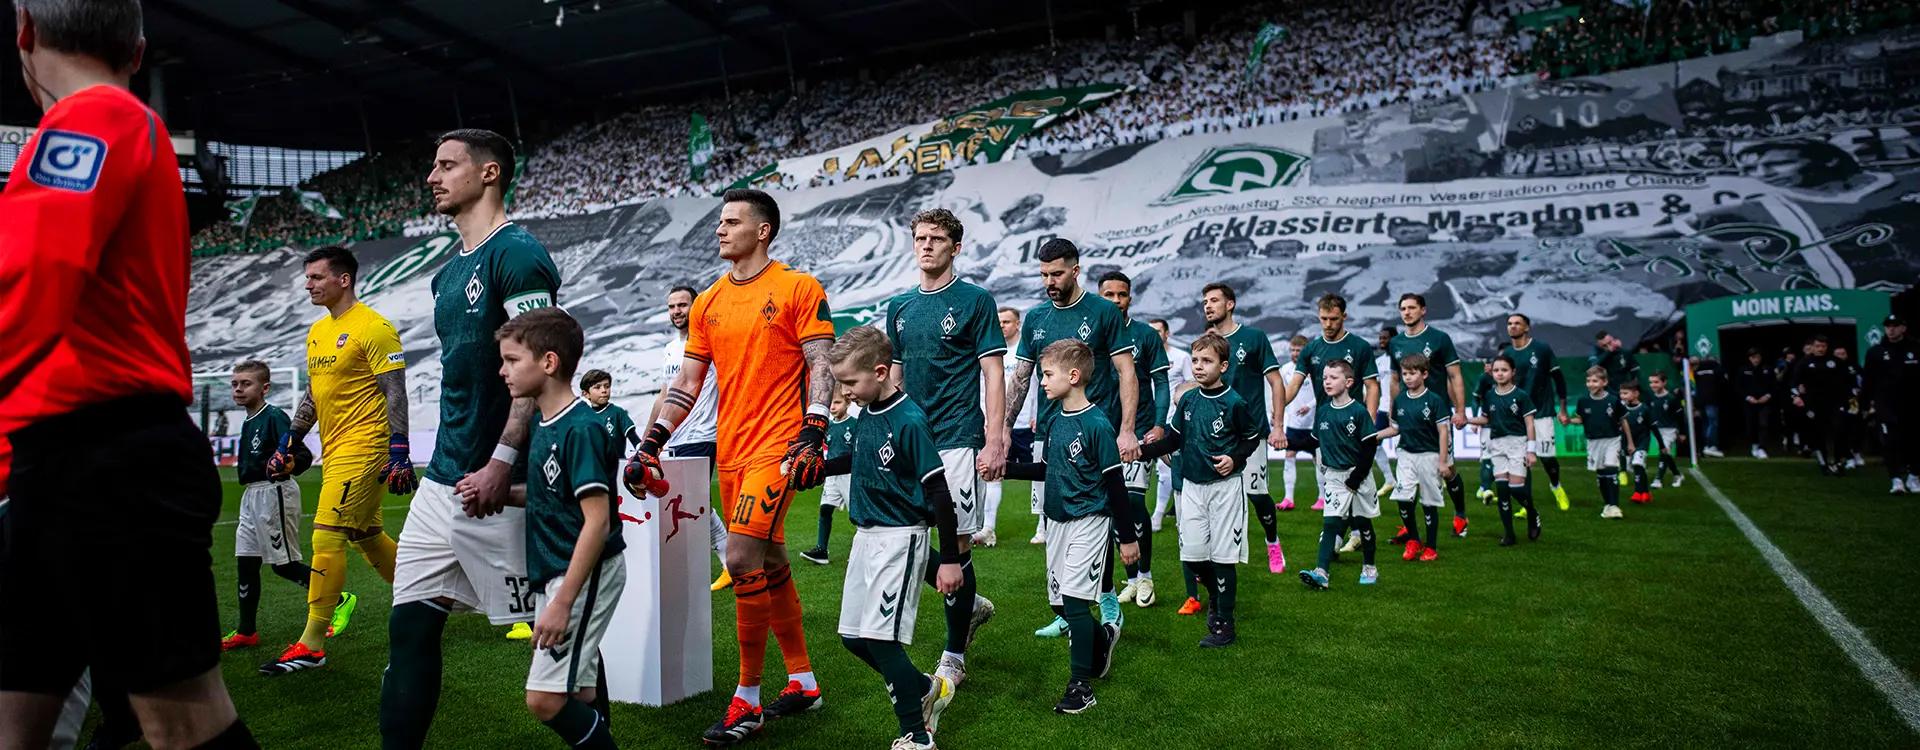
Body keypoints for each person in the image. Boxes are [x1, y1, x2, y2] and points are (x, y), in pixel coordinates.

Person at [0, 0, 257, 744]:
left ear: (25, 31)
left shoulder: (93, 117)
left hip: (110, 461)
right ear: (138, 49)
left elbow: (29, 280)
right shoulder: (103, 125)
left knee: (182, 722)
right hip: (63, 457)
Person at [622, 189, 836, 745]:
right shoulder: (708, 302)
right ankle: (804, 681)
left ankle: (748, 700)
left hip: (780, 447)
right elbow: (687, 383)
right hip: (731, 451)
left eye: (731, 222)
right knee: (770, 557)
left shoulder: (797, 287)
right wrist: (651, 443)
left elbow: (820, 362)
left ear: (762, 231)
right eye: (719, 221)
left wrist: (815, 426)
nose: (719, 230)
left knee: (740, 557)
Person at [382, 129, 563, 749]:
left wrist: (503, 462)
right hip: (444, 482)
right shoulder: (447, 275)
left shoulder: (517, 255)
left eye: (446, 165)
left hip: (507, 485)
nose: (432, 176)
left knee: (562, 650)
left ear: (489, 174)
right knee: (408, 633)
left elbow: (540, 366)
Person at [260, 245, 410, 676]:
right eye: (307, 278)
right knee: (367, 533)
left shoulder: (374, 328)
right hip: (336, 447)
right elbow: (314, 394)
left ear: (343, 280)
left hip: (368, 446)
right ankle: (430, 598)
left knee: (326, 535)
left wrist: (399, 448)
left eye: (316, 277)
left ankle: (312, 643)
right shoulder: (318, 332)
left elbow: (395, 390)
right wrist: (289, 440)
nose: (308, 284)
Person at [819, 326, 962, 750]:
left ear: (881, 372)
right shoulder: (866, 414)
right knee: (852, 637)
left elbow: (938, 491)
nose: (844, 393)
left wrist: (950, 558)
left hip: (901, 537)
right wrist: (814, 470)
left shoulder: (910, 420)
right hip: (866, 536)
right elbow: (858, 463)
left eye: (850, 383)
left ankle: (917, 737)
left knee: (882, 639)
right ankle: (923, 687)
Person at [494, 309, 626, 750]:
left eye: (512, 360)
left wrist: (562, 602)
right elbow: (551, 493)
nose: (503, 369)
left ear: (548, 363)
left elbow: (598, 520)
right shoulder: (543, 424)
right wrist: (497, 495)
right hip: (560, 570)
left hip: (583, 573)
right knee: (580, 693)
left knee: (544, 700)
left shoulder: (581, 428)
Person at [884, 209, 1004, 687]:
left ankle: (953, 655)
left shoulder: (975, 300)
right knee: (903, 538)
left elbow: (993, 373)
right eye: (919, 238)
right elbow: (893, 375)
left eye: (936, 238)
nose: (926, 245)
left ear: (955, 247)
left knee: (954, 544)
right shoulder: (898, 307)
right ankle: (971, 605)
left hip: (957, 435)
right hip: (912, 437)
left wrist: (995, 437)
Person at [1007, 238, 1140, 635]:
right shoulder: (1035, 318)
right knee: (1058, 518)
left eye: (1057, 273)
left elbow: (1126, 372)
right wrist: (998, 432)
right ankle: (1066, 612)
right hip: (1050, 433)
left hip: (1094, 434)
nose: (1050, 281)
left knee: (1093, 513)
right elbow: (1021, 379)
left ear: (1075, 270)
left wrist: (1127, 429)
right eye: (1044, 275)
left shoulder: (1102, 312)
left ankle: (1108, 595)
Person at [999, 340, 1138, 714]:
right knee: (1060, 605)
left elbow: (1115, 485)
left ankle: (1081, 687)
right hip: (1057, 522)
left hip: (1090, 521)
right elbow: (1047, 470)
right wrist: (1007, 469)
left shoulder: (1097, 424)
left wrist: (1127, 539)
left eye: (1047, 374)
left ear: (1073, 376)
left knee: (1076, 603)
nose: (1042, 382)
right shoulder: (1053, 419)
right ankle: (1104, 639)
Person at [1137, 333, 1264, 647]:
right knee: (1193, 556)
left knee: (1223, 558)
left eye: (1206, 361)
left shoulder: (1235, 402)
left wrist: (1235, 459)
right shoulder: (1189, 400)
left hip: (1225, 489)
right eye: (1195, 360)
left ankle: (1225, 622)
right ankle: (1215, 596)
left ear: (1223, 366)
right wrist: (1140, 452)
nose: (1198, 366)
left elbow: (1251, 437)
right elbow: (1174, 440)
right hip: (1192, 488)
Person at [222, 362, 316, 652]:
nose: (238, 388)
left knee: (284, 566)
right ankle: (247, 631)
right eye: (235, 383)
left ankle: (336, 600)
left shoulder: (273, 416)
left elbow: (302, 453)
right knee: (246, 563)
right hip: (251, 495)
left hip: (274, 492)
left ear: (264, 388)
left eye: (245, 383)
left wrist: (291, 463)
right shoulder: (249, 421)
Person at [1200, 283, 1287, 573]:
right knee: (1214, 497)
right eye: (1205, 302)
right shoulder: (1206, 343)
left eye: (1214, 300)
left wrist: (1277, 427)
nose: (1208, 306)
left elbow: (1276, 381)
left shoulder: (1253, 338)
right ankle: (1213, 557)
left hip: (1250, 432)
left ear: (1230, 304)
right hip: (1215, 432)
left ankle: (1273, 543)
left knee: (1256, 493)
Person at [652, 285, 731, 591]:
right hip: (675, 437)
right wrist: (651, 439)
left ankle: (724, 562)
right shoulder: (670, 350)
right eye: (672, 306)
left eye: (683, 305)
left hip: (702, 433)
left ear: (695, 307)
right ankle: (727, 563)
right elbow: (665, 396)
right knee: (688, 500)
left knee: (693, 499)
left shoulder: (711, 342)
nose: (677, 311)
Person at [1098, 272, 1169, 609]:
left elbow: (1162, 384)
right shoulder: (1092, 331)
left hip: (1137, 430)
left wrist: (1158, 425)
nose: (1115, 301)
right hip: (1100, 431)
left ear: (1130, 298)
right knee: (1110, 509)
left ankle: (1146, 578)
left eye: (1121, 295)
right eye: (1108, 294)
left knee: (1134, 503)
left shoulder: (1144, 335)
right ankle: (1129, 580)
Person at [1298, 359, 1395, 590]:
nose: (1327, 382)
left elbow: (1370, 447)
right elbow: (1315, 442)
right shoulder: (1322, 412)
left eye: (1333, 377)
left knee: (1363, 524)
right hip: (1334, 476)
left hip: (1358, 477)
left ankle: (1369, 566)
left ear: (1349, 382)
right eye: (1324, 378)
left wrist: (1355, 478)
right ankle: (1321, 573)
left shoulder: (1359, 412)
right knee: (1330, 524)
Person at [1386, 294, 1468, 538]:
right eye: (1403, 308)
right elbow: (1394, 379)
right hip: (1408, 416)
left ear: (1423, 310)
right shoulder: (1396, 343)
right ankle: (1409, 530)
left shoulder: (1440, 338)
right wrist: (1393, 410)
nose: (1407, 312)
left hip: (1436, 416)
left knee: (1446, 469)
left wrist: (1461, 410)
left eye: (1412, 308)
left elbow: (1455, 376)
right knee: (1407, 473)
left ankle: (1461, 514)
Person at [1467, 356, 1539, 547]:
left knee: (1516, 489)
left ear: (1513, 372)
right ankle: (1509, 534)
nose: (1500, 373)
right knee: (1502, 490)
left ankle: (1532, 512)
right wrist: (1466, 420)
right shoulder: (1489, 395)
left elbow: (1529, 423)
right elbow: (1486, 419)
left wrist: (1531, 451)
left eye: (1504, 370)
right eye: (1496, 370)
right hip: (1496, 444)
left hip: (1517, 443)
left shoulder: (1521, 395)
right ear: (1492, 373)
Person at [1387, 355, 1452, 562]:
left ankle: (1431, 548)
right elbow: (1395, 429)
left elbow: (1443, 431)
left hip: (1430, 455)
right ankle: (1414, 539)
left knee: (1428, 502)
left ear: (1424, 374)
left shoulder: (1434, 400)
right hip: (1406, 454)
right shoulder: (1400, 400)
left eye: (1412, 373)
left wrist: (1443, 461)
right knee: (1403, 497)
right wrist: (1373, 436)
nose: (1407, 378)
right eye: (1404, 373)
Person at [1502, 314, 1569, 511]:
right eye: (1510, 324)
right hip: (1517, 416)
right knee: (1521, 461)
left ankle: (1556, 486)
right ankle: (1526, 503)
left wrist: (1563, 409)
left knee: (1547, 457)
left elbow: (1559, 379)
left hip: (1542, 412)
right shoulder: (1506, 354)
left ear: (1527, 327)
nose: (1513, 327)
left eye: (1517, 323)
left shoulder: (1541, 349)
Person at [980, 307, 1035, 547]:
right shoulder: (990, 352)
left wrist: (1036, 415)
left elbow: (1038, 387)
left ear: (1018, 324)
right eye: (998, 321)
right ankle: (988, 529)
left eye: (1006, 321)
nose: (1001, 325)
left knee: (1041, 475)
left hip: (1027, 425)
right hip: (996, 426)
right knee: (993, 474)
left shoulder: (1025, 351)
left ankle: (1044, 526)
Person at [1863, 316, 1919, 494]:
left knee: (1913, 441)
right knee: (1890, 441)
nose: (1891, 330)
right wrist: (1865, 403)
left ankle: (1914, 476)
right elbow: (1868, 380)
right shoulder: (1876, 352)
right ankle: (1896, 480)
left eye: (1895, 326)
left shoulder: (1916, 349)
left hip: (1912, 404)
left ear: (1903, 328)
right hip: (1886, 404)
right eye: (1888, 326)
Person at [1789, 334, 1858, 476]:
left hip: (1835, 403)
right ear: (1812, 347)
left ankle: (1838, 461)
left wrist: (1851, 398)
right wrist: (1796, 396)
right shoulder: (1804, 363)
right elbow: (1793, 384)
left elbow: (1849, 381)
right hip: (1813, 405)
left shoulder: (1835, 362)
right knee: (1818, 434)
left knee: (1839, 430)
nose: (1820, 349)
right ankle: (1823, 463)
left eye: (1823, 346)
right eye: (1817, 346)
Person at [1571, 367, 1633, 518]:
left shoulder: (1613, 400)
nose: (1591, 384)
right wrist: (1568, 421)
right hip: (1593, 441)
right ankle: (1607, 505)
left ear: (1604, 382)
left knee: (1611, 468)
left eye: (1595, 381)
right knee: (1601, 474)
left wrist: (1630, 442)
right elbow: (1581, 419)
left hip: (1612, 439)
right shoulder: (1583, 401)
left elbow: (1623, 420)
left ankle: (1615, 506)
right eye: (1588, 381)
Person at [801, 387, 855, 564]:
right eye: (831, 403)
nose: (832, 407)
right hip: (831, 477)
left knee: (856, 515)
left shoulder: (854, 424)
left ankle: (862, 550)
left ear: (848, 403)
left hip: (849, 475)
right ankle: (821, 550)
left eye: (837, 402)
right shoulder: (827, 427)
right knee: (825, 509)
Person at [1149, 317, 1191, 531]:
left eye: (1158, 331)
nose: (1155, 335)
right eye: (1151, 332)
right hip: (1148, 420)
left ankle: (1157, 516)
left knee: (1166, 468)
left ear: (1167, 333)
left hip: (1171, 422)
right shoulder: (1144, 356)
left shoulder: (1181, 357)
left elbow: (1191, 386)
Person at [1276, 336, 1321, 514]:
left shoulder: (1316, 369)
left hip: (1313, 423)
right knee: (1289, 454)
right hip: (1294, 424)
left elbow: (1324, 391)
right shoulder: (1285, 370)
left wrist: (1309, 406)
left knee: (1318, 459)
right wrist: (1276, 411)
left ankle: (1323, 498)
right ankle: (1289, 498)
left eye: (1299, 350)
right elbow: (1282, 393)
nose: (1295, 353)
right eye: (1293, 350)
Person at [1619, 381, 1657, 503]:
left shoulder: (1644, 409)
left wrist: (1661, 445)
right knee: (1637, 467)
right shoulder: (1621, 409)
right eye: (1621, 393)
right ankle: (1645, 492)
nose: (1622, 396)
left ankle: (1637, 492)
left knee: (1637, 463)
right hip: (1627, 443)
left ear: (1636, 394)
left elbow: (1653, 427)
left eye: (1625, 393)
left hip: (1642, 442)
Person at [1647, 371, 1686, 489]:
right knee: (1666, 453)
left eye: (1656, 382)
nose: (1653, 385)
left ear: (1664, 383)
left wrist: (1683, 432)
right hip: (1657, 430)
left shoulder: (1671, 398)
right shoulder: (1650, 397)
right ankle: (1677, 474)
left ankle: (1658, 479)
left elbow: (1680, 416)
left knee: (1663, 451)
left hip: (1670, 429)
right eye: (1651, 382)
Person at [1737, 348, 1776, 459]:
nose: (1756, 360)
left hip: (1765, 401)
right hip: (1750, 402)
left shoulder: (1767, 369)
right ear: (1750, 358)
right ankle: (1754, 444)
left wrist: (1768, 395)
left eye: (1757, 357)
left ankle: (1762, 447)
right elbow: (1739, 386)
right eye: (1753, 357)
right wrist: (1748, 397)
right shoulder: (1743, 370)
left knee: (1763, 423)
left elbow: (1774, 384)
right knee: (1751, 424)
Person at [1691, 354, 1725, 457]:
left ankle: (1705, 447)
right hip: (1711, 400)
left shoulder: (1697, 371)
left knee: (1705, 424)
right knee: (1712, 423)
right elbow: (1722, 381)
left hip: (1700, 401)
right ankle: (1711, 446)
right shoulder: (1716, 370)